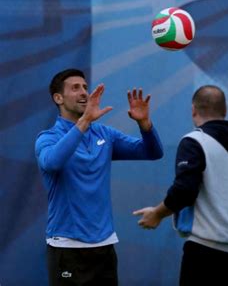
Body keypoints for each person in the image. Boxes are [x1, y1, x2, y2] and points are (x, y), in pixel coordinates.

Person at [35, 68, 164, 285]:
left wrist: (145, 125)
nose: (84, 92)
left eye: (85, 87)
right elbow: (52, 163)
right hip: (66, 248)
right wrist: (84, 122)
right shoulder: (47, 138)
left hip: (104, 247)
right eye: (75, 88)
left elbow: (152, 152)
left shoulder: (105, 134)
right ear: (58, 98)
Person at [133, 85, 228, 286]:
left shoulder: (194, 141)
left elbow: (184, 190)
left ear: (193, 109)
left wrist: (157, 213)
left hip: (205, 248)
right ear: (224, 111)